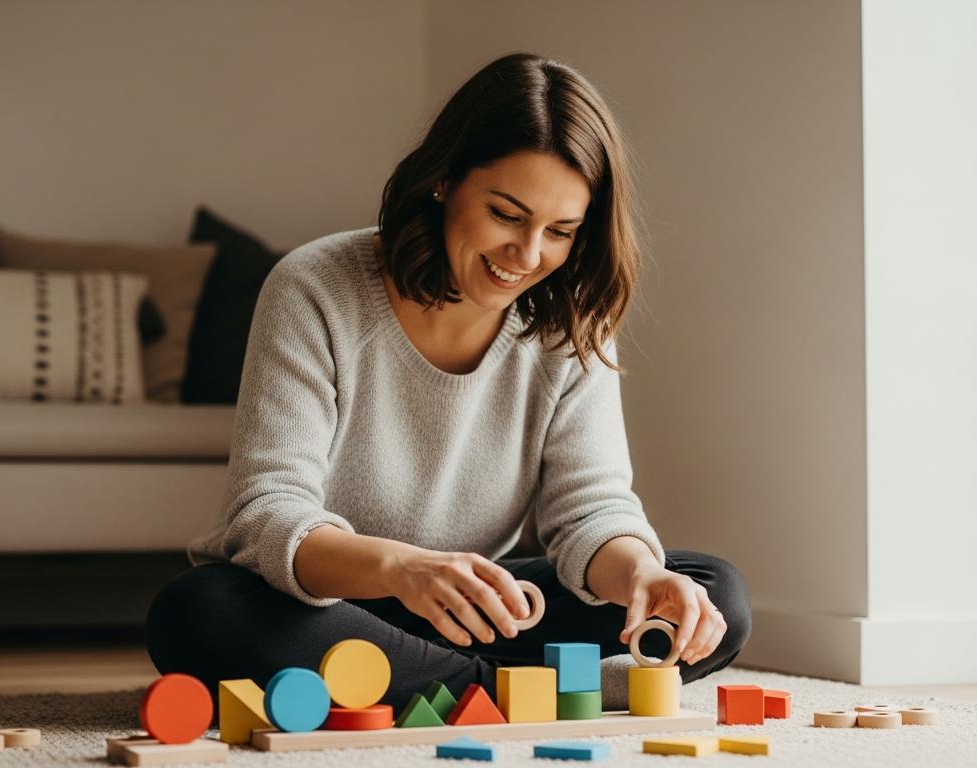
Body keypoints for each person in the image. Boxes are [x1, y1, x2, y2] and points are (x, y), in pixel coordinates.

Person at [146, 52, 751, 711]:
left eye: (560, 231)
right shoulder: (313, 287)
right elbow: (267, 510)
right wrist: (401, 568)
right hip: (331, 602)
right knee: (197, 611)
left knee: (710, 591)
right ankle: (505, 688)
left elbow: (591, 509)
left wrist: (642, 576)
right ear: (443, 180)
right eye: (506, 215)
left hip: (478, 611)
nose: (528, 256)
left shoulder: (571, 323)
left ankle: (428, 680)